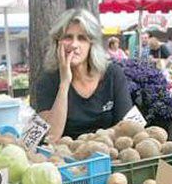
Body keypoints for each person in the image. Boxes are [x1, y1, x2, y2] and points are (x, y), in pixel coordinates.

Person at [35, 9, 133, 141]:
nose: (74, 45)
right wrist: (64, 83)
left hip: (110, 152)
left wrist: (92, 142)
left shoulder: (112, 74)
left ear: (91, 44)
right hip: (65, 156)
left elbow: (127, 126)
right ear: (58, 43)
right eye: (68, 37)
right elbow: (51, 136)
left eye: (82, 38)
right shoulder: (48, 80)